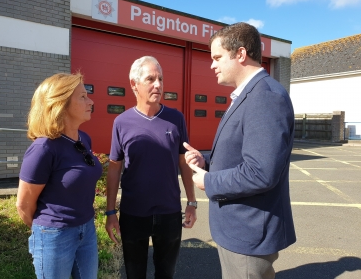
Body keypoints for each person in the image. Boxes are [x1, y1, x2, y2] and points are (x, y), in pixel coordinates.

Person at [184, 22, 296, 279]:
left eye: (217, 57)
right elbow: (242, 153)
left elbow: (260, 172)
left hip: (249, 233)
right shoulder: (249, 94)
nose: (212, 65)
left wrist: (208, 181)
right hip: (239, 230)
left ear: (241, 54)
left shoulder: (265, 97)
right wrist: (207, 160)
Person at [105, 56, 197, 279]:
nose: (158, 85)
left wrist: (192, 203)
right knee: (135, 274)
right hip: (133, 213)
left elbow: (184, 164)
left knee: (166, 273)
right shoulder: (122, 122)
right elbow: (114, 168)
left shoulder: (175, 119)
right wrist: (110, 212)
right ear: (134, 84)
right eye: (150, 79)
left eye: (161, 79)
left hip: (169, 213)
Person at [16, 73, 102, 279]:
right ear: (60, 103)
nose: (90, 101)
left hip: (87, 230)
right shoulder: (43, 148)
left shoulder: (84, 139)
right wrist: (48, 230)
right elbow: (24, 205)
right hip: (55, 236)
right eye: (82, 97)